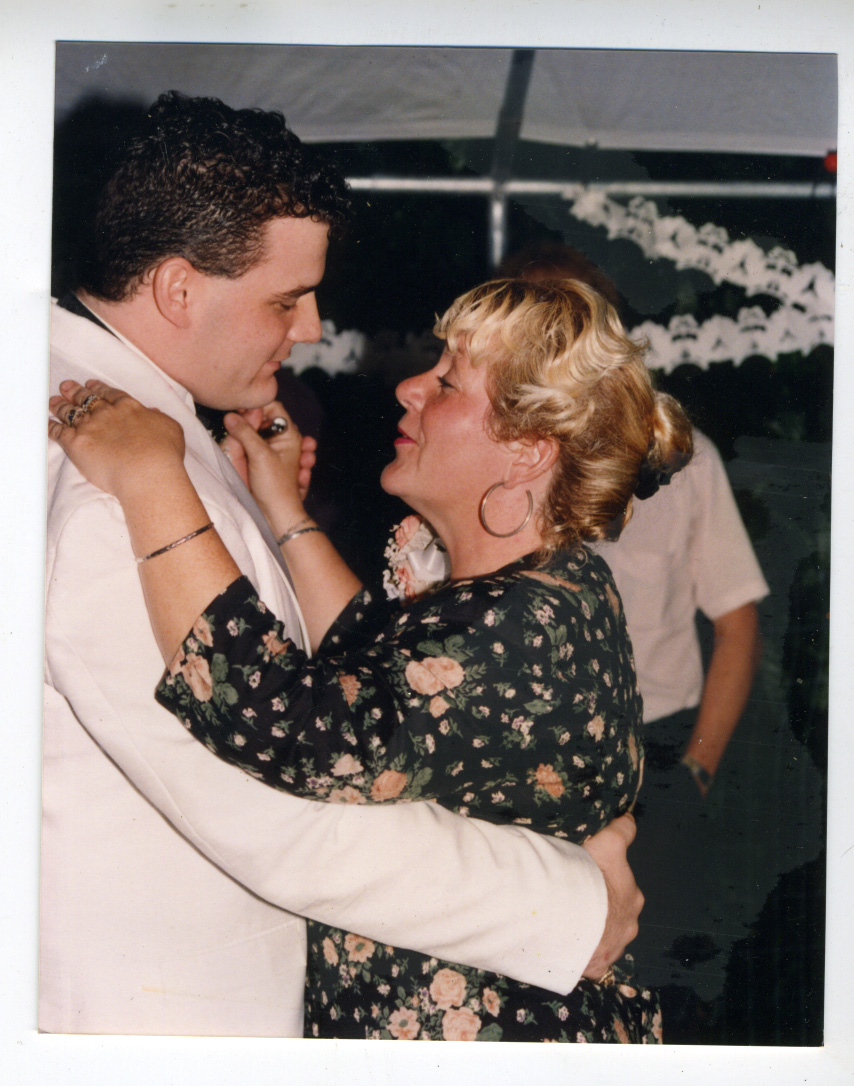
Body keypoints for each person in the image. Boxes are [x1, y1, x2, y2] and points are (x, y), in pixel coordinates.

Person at [43, 92, 641, 1038]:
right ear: (179, 290)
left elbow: (334, 703)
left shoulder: (132, 432)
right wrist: (570, 904)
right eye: (286, 299)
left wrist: (263, 508)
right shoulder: (109, 476)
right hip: (164, 1025)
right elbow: (277, 811)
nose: (314, 327)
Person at [501, 243, 769, 1033]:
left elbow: (738, 622)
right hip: (529, 761)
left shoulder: (682, 458)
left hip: (658, 761)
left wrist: (697, 772)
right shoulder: (495, 458)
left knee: (660, 990)